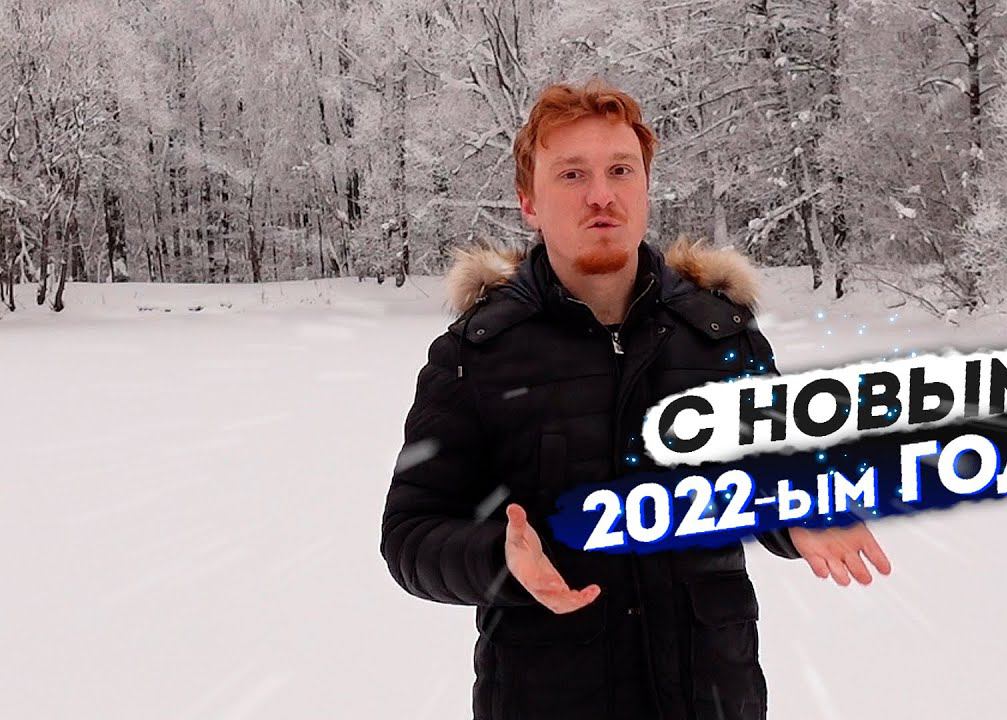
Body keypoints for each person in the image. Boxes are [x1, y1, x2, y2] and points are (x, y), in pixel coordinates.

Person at [380, 78, 891, 720]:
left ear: (646, 186)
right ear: (529, 201)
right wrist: (498, 560)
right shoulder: (475, 354)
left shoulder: (720, 335)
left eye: (620, 170)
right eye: (572, 174)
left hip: (711, 697)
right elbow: (410, 535)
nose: (602, 194)